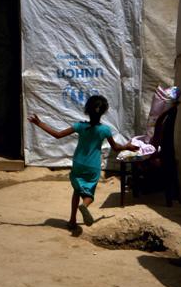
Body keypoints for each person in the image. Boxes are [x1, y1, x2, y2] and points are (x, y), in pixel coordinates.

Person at [29, 95, 138, 229]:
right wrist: (127, 146)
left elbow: (57, 135)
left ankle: (72, 220)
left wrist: (39, 123)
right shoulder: (105, 130)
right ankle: (84, 205)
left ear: (88, 110)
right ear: (103, 112)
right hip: (93, 166)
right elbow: (115, 148)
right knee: (89, 194)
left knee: (76, 190)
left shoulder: (80, 126)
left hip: (78, 163)